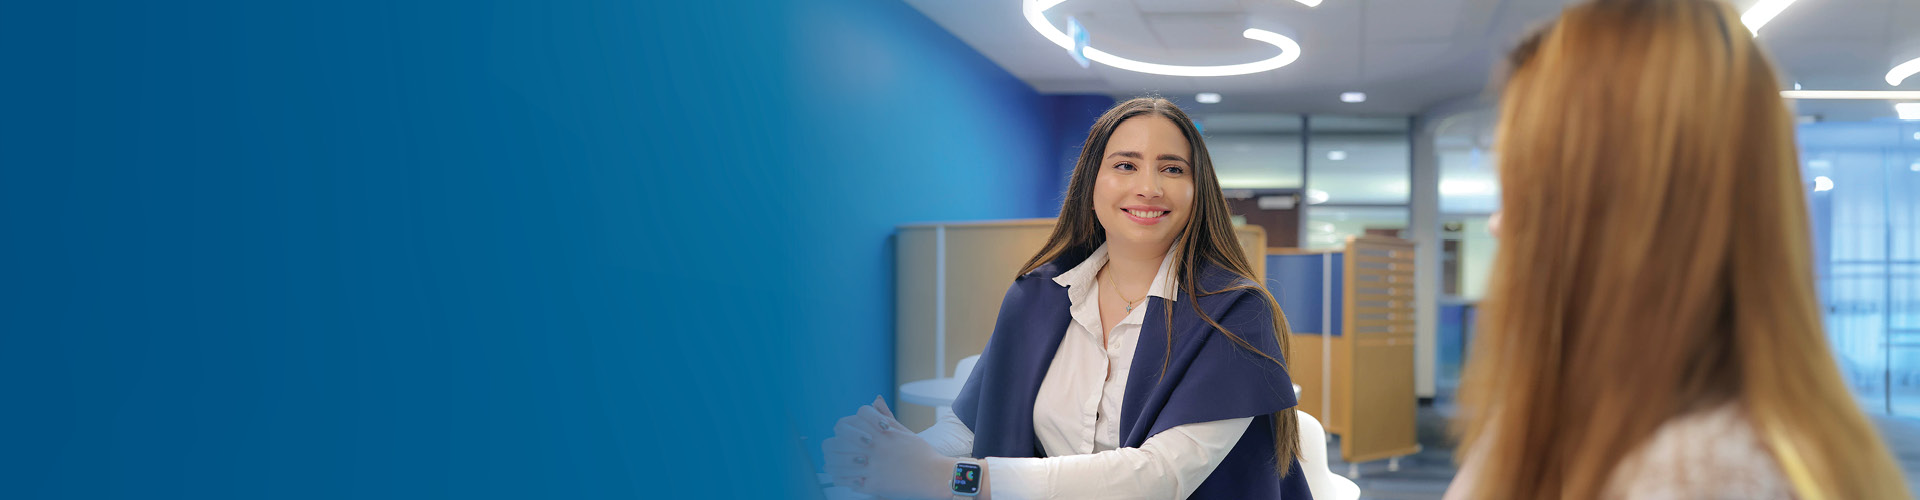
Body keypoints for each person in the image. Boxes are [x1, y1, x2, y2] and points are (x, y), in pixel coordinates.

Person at [1444, 1, 1912, 498]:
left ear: (1619, 217)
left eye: (1526, 192)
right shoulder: (1604, 420)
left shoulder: (1694, 475)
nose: (1499, 224)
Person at [820, 97, 1312, 499]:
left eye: (1171, 168)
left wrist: (948, 480)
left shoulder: (1232, 312)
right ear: (1091, 183)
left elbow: (1159, 477)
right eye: (1125, 164)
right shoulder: (1037, 295)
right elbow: (970, 427)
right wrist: (888, 457)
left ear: (1196, 190)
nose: (1148, 187)